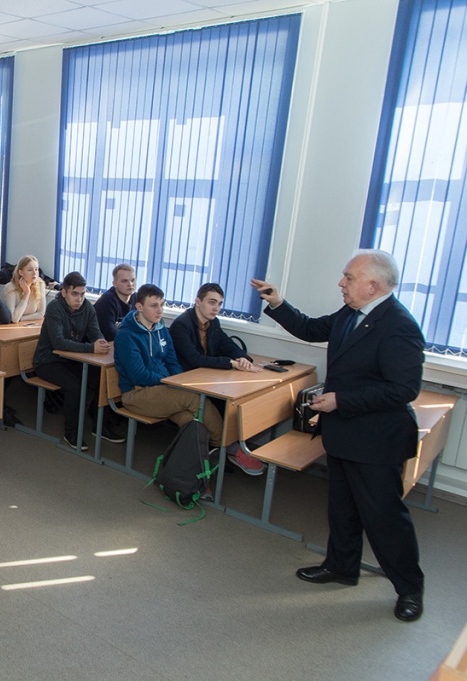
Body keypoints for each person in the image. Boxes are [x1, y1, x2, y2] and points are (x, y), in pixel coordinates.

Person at [252, 249, 426, 622]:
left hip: (377, 439)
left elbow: (403, 389)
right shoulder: (352, 313)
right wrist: (278, 302)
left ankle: (410, 587)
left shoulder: (399, 326)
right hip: (345, 432)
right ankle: (342, 566)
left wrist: (341, 400)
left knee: (383, 516)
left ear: (373, 285)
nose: (341, 284)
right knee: (342, 508)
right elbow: (312, 329)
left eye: (348, 278)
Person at [114, 284, 223, 459]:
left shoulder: (161, 329)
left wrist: (176, 380)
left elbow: (173, 361)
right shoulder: (127, 336)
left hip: (162, 390)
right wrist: (170, 382)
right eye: (154, 305)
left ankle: (201, 462)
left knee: (191, 420)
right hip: (137, 393)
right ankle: (225, 446)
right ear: (139, 307)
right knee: (193, 397)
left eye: (162, 304)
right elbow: (138, 375)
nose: (160, 310)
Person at [168, 282, 262, 473]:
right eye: (212, 302)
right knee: (222, 402)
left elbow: (226, 343)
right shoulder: (182, 325)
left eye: (219, 304)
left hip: (204, 377)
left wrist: (243, 358)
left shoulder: (213, 323)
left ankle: (226, 449)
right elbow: (195, 359)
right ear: (197, 301)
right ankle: (227, 449)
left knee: (233, 401)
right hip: (184, 381)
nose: (216, 308)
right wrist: (230, 363)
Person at [33, 272, 122, 450]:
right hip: (48, 361)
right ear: (64, 292)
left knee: (97, 377)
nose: (79, 299)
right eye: (75, 294)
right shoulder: (54, 308)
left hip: (70, 359)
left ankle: (99, 425)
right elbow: (58, 342)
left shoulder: (87, 307)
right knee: (74, 385)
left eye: (82, 294)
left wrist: (100, 341)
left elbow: (95, 332)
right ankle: (71, 432)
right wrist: (91, 348)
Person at [94, 263, 138, 341]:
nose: (130, 284)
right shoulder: (107, 301)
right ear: (115, 284)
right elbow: (109, 333)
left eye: (133, 280)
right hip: (101, 346)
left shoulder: (137, 298)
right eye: (124, 281)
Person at [3, 255, 47, 323]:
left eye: (36, 269)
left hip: (26, 325)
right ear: (21, 272)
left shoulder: (40, 284)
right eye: (30, 270)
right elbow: (13, 318)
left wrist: (22, 318)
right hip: (11, 328)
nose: (34, 273)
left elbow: (41, 314)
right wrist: (27, 293)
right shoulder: (10, 287)